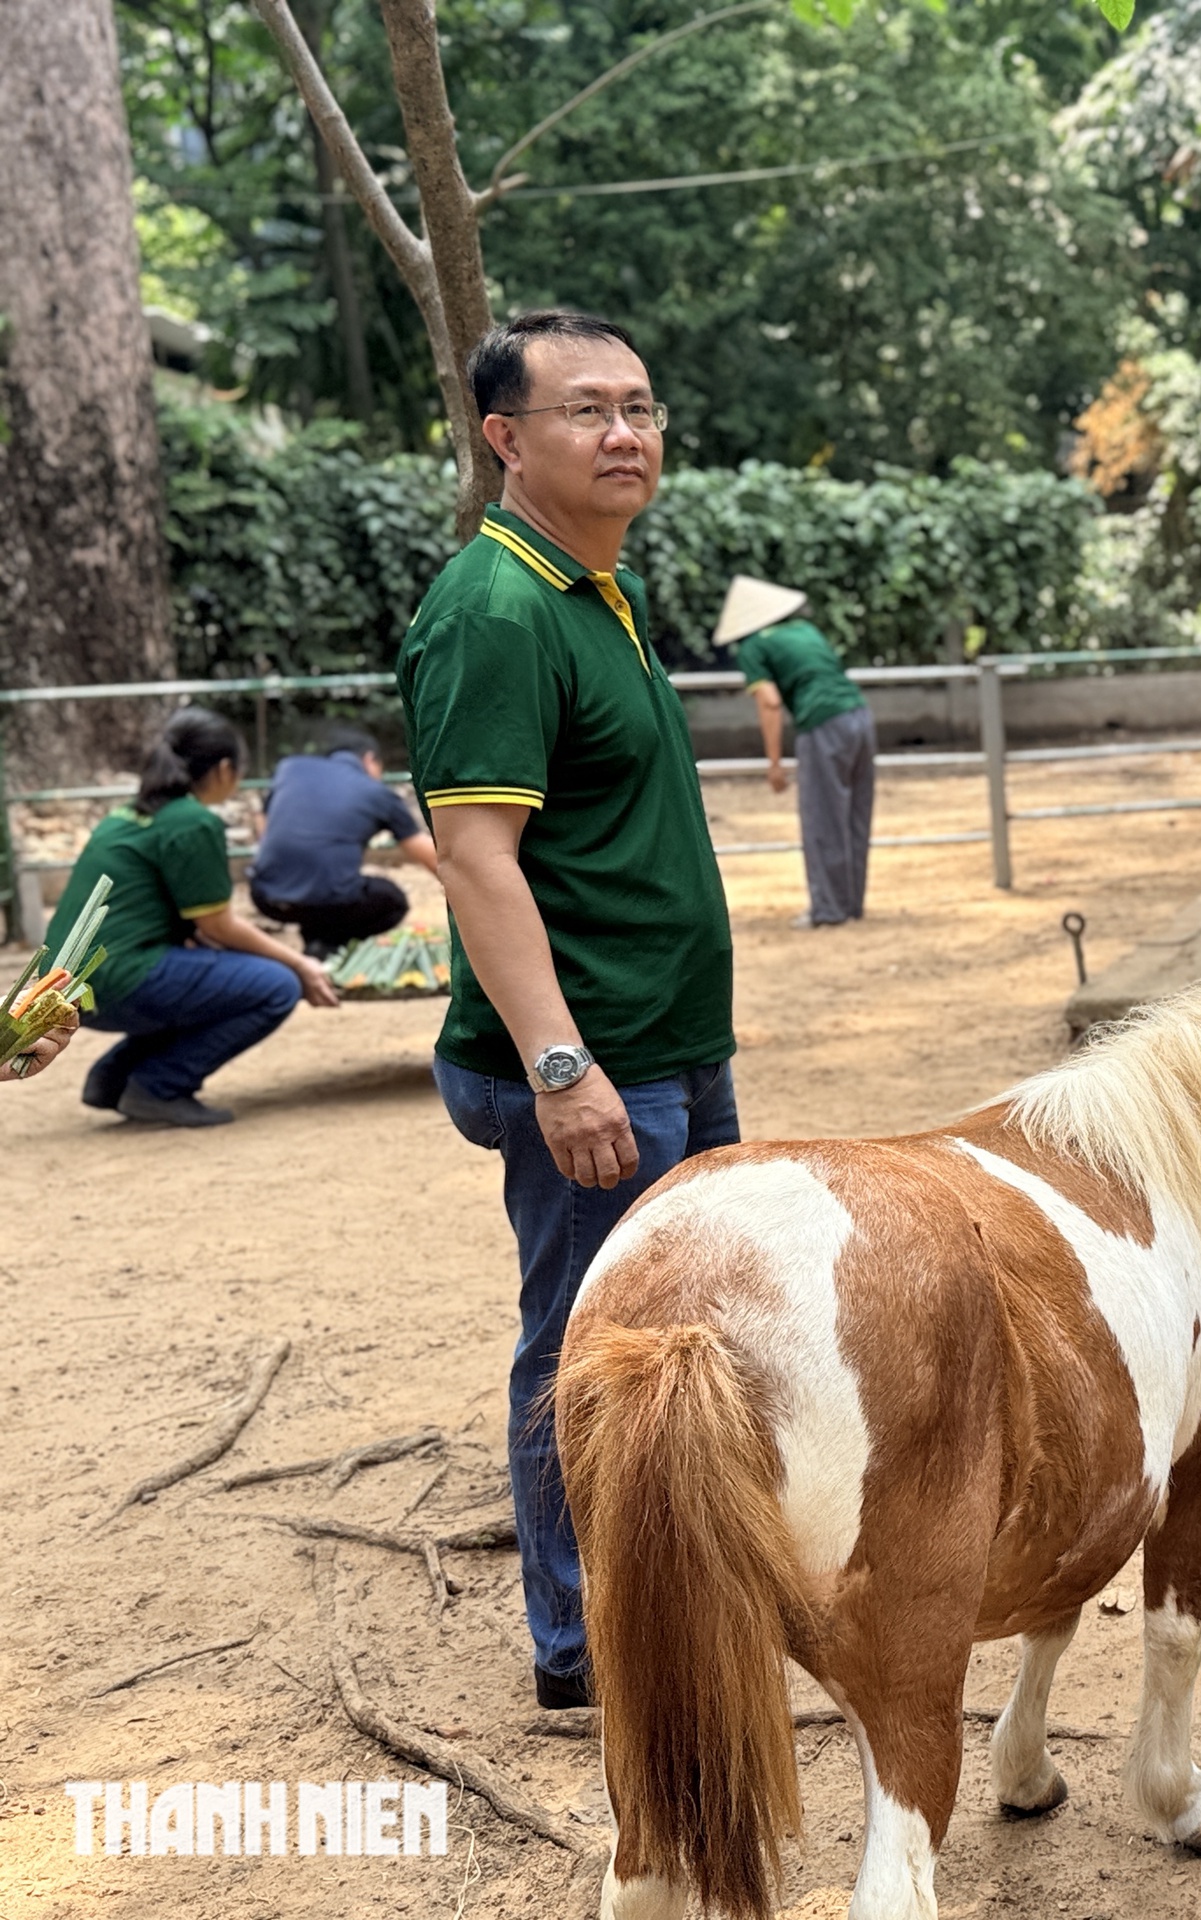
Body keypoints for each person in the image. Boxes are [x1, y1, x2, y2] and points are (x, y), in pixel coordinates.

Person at [398, 308, 738, 1711]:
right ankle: (589, 1648)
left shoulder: (594, 586)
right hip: (590, 1067)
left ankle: (673, 1601)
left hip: (666, 1049)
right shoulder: (492, 608)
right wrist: (558, 1063)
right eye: (587, 410)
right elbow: (473, 856)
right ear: (503, 438)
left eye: (642, 408)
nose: (624, 434)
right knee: (592, 1354)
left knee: (678, 1342)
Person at [63, 707, 340, 1128]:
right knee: (277, 985)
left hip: (70, 983)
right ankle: (158, 1085)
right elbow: (219, 926)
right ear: (225, 768)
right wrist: (299, 963)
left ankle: (112, 1078)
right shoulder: (191, 821)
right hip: (119, 976)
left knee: (215, 978)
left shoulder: (126, 815)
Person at [717, 574, 875, 928]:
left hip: (822, 723)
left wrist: (774, 763)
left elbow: (770, 703)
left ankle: (829, 910)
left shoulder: (753, 647)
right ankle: (852, 904)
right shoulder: (805, 630)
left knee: (822, 817)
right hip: (859, 716)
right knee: (854, 815)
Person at [247, 724, 439, 957]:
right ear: (369, 759)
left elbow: (263, 824)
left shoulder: (290, 768)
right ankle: (329, 947)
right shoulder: (376, 793)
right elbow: (423, 851)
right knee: (392, 901)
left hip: (266, 896)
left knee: (322, 890)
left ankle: (317, 945)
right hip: (332, 901)